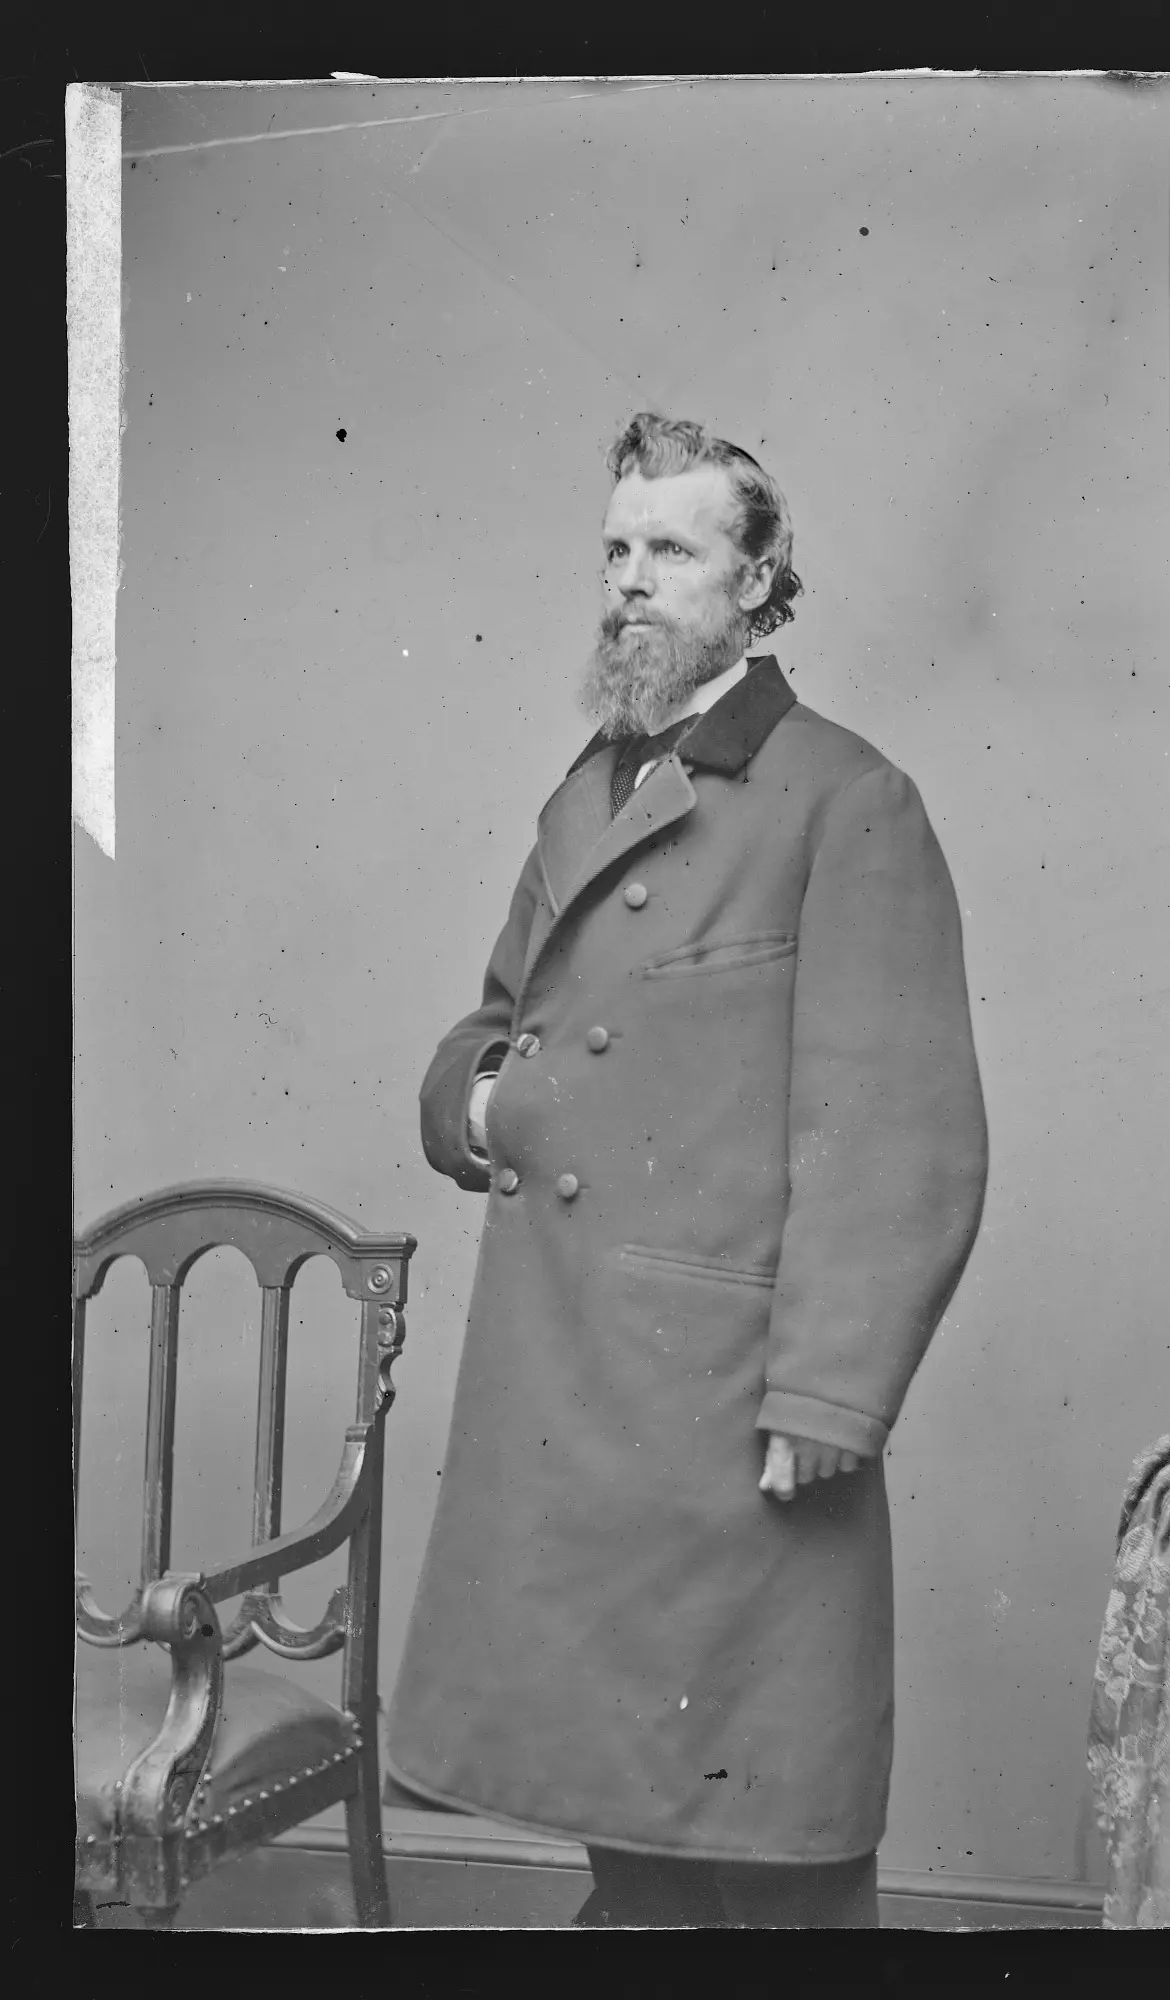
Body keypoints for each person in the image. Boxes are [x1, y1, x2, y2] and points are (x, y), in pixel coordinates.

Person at [385, 413, 988, 1928]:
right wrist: (482, 1104)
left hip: (729, 1399)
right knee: (632, 1825)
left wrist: (829, 1396)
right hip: (576, 1377)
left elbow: (898, 1130)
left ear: (758, 580)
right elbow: (495, 1025)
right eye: (615, 549)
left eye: (670, 548)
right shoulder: (587, 787)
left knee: (773, 1842)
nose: (630, 582)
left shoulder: (845, 794)